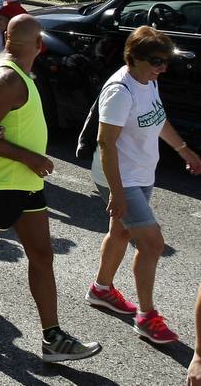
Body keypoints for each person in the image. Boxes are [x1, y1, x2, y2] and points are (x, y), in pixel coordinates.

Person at [0, 15, 102, 364]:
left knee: (42, 255)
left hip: (25, 184)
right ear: (39, 46)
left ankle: (52, 338)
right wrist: (30, 157)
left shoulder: (17, 72)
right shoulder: (7, 79)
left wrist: (29, 163)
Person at [88, 26, 201, 344]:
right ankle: (146, 316)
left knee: (120, 232)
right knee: (152, 244)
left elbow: (158, 118)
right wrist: (117, 192)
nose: (162, 68)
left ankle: (101, 289)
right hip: (120, 177)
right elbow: (106, 144)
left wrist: (184, 150)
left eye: (166, 61)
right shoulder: (120, 92)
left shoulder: (147, 81)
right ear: (133, 57)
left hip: (140, 173)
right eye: (156, 61)